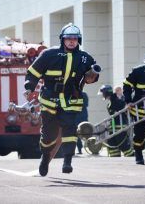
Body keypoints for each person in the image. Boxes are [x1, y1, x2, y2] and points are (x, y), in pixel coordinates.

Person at [24, 23, 99, 176]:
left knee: (69, 129)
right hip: (49, 100)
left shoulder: (85, 58)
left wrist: (92, 76)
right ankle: (45, 157)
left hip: (71, 101)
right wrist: (29, 87)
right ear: (62, 39)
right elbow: (33, 73)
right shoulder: (48, 54)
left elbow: (92, 78)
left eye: (75, 38)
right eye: (68, 38)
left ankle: (67, 162)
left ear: (79, 40)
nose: (72, 41)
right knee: (48, 136)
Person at [98, 84, 134, 157]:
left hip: (119, 126)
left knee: (123, 145)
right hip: (113, 127)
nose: (102, 95)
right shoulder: (112, 99)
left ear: (106, 93)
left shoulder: (115, 100)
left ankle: (131, 156)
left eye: (103, 93)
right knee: (111, 143)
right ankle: (115, 158)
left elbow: (120, 108)